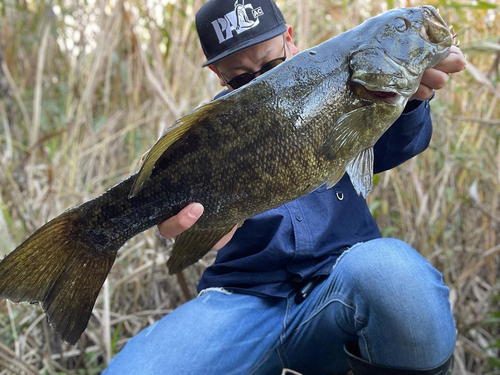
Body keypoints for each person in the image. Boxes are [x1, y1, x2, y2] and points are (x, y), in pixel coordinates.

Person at [105, 0, 466, 374]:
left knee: (397, 276)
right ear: (218, 74)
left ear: (290, 40)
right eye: (241, 78)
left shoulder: (349, 89)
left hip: (340, 288)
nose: (260, 81)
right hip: (245, 299)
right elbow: (181, 224)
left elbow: (402, 143)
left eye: (271, 65)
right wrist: (189, 229)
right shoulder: (208, 138)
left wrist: (410, 101)